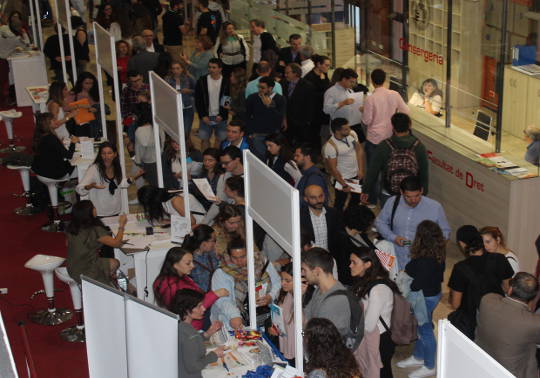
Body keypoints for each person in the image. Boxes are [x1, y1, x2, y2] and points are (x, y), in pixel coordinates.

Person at [396, 220, 446, 378]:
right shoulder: (438, 255)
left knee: (425, 331)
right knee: (421, 328)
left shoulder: (425, 260)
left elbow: (417, 285)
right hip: (433, 294)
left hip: (424, 298)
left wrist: (405, 276)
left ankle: (430, 365)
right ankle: (418, 357)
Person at [448, 225, 514, 339]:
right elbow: (508, 289)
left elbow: (455, 304)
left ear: (462, 244)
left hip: (472, 323)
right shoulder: (500, 259)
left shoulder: (460, 268)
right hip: (496, 316)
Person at [375, 176, 451, 270]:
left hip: (421, 261)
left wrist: (427, 246)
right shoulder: (392, 202)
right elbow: (380, 222)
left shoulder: (435, 207)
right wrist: (393, 237)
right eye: (408, 197)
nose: (413, 200)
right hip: (394, 256)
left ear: (422, 190)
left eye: (417, 196)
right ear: (401, 192)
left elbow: (445, 232)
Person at [475, 272, 540, 378]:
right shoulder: (534, 323)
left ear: (510, 289)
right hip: (511, 373)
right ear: (532, 297)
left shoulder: (487, 300)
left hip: (481, 360)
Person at [211, 237, 281, 330]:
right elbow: (223, 301)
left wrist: (271, 296)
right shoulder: (221, 272)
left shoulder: (262, 262)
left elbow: (277, 282)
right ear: (229, 255)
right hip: (233, 321)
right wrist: (234, 315)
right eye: (234, 258)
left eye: (243, 257)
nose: (239, 261)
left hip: (262, 317)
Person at [362, 112, 429, 206]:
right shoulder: (418, 146)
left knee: (388, 219)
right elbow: (424, 173)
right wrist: (423, 192)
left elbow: (373, 171)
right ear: (409, 125)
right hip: (410, 194)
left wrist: (366, 190)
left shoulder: (384, 145)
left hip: (389, 192)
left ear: (392, 126)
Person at [350, 246, 396, 378]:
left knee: (380, 372)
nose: (350, 265)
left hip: (380, 341)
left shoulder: (377, 290)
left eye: (354, 262)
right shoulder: (365, 281)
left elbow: (369, 325)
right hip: (371, 338)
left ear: (367, 264)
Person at [153, 247, 228, 327]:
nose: (193, 266)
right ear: (175, 265)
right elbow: (194, 308)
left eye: (192, 261)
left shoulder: (175, 277)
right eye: (188, 263)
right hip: (193, 326)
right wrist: (215, 294)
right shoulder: (173, 287)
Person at [65, 200, 122, 286]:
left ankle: (108, 277)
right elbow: (117, 243)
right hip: (87, 270)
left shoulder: (72, 227)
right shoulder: (94, 230)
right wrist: (122, 225)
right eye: (93, 208)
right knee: (116, 263)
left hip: (72, 267)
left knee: (108, 263)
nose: (95, 209)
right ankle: (104, 280)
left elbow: (67, 244)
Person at [77, 142, 141, 217]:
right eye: (103, 153)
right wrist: (90, 186)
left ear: (115, 154)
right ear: (100, 155)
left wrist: (133, 178)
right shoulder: (94, 169)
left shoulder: (117, 167)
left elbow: (120, 183)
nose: (106, 156)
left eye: (109, 153)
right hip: (100, 212)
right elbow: (79, 189)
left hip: (115, 210)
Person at [362, 69, 409, 170]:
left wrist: (363, 110)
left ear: (372, 81)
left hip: (374, 139)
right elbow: (406, 112)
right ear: (385, 80)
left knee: (374, 172)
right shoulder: (394, 94)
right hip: (390, 137)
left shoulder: (370, 99)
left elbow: (366, 121)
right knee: (388, 171)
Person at [172, 289, 225, 378]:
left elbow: (189, 344)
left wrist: (207, 334)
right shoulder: (188, 334)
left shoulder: (179, 326)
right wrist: (214, 355)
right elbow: (193, 367)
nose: (203, 309)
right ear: (187, 310)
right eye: (199, 306)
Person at [270, 262, 313, 365]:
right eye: (282, 279)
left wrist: (300, 298)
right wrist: (273, 328)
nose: (282, 283)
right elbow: (277, 317)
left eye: (287, 281)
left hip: (300, 352)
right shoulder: (284, 294)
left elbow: (305, 327)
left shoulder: (308, 300)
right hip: (284, 345)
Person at [340, 204, 398, 281]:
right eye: (369, 223)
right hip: (361, 276)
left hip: (367, 269)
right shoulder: (344, 241)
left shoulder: (357, 233)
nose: (370, 226)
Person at [301, 186, 346, 283]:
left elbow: (338, 239)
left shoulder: (333, 213)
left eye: (320, 196)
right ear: (306, 199)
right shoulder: (299, 216)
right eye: (313, 197)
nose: (318, 200)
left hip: (330, 261)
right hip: (308, 262)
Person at [302, 247, 351, 336]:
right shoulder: (319, 290)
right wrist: (298, 296)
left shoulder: (336, 301)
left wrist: (303, 331)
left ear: (317, 271)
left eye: (305, 270)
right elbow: (304, 319)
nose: (302, 274)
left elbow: (318, 337)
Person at [323, 118, 365, 212]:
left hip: (356, 176)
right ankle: (337, 221)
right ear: (337, 131)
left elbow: (359, 150)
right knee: (339, 203)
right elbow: (333, 169)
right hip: (342, 179)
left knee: (355, 200)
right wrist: (344, 185)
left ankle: (349, 217)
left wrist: (361, 170)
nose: (349, 130)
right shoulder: (330, 146)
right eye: (346, 129)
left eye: (348, 127)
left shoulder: (352, 134)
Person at [245, 76, 286, 161]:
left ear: (270, 88)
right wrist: (250, 133)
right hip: (256, 134)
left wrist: (270, 106)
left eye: (262, 88)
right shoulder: (252, 98)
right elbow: (247, 116)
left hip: (272, 135)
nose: (260, 89)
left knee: (271, 160)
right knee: (258, 159)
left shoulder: (280, 99)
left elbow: (279, 118)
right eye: (259, 87)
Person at [195, 58, 230, 151]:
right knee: (204, 139)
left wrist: (222, 114)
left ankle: (216, 158)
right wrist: (203, 115)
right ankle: (206, 159)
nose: (211, 69)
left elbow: (227, 99)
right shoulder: (202, 81)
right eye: (209, 67)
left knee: (220, 139)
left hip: (220, 118)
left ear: (220, 69)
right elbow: (198, 100)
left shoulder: (226, 81)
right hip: (206, 117)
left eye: (214, 67)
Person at [31, 113, 78, 180]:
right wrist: (73, 143)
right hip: (53, 173)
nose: (56, 121)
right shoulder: (50, 138)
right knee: (78, 165)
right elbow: (68, 155)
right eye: (53, 120)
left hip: (40, 171)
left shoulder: (39, 135)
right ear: (48, 124)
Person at [138, 185, 205, 226]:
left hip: (201, 225)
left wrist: (170, 222)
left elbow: (192, 221)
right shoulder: (165, 196)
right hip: (192, 224)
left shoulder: (175, 201)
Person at [303, 55, 331, 149]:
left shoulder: (324, 74)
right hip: (314, 113)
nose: (328, 68)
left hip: (322, 111)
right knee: (314, 137)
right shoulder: (309, 78)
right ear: (319, 64)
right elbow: (313, 95)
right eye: (326, 65)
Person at [282, 63, 314, 146]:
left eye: (287, 73)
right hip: (287, 123)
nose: (285, 75)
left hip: (301, 123)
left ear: (295, 73)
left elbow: (310, 105)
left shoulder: (307, 86)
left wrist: (307, 122)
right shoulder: (282, 84)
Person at [182, 225, 221, 292]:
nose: (215, 243)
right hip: (204, 295)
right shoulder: (191, 262)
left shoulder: (210, 253)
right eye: (214, 240)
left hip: (215, 289)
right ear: (203, 243)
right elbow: (201, 284)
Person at [133, 103, 164, 186]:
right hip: (162, 159)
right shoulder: (158, 126)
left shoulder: (139, 131)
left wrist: (138, 162)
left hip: (149, 164)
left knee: (154, 185)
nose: (133, 117)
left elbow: (139, 150)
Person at [165, 61, 196, 139]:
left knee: (186, 132)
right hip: (173, 109)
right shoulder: (167, 79)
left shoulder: (188, 78)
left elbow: (197, 90)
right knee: (175, 133)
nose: (175, 71)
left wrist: (189, 91)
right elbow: (164, 93)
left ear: (182, 69)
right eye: (173, 69)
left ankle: (187, 149)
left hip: (187, 108)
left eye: (178, 68)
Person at [68, 72, 102, 138]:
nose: (89, 86)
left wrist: (95, 109)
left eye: (91, 83)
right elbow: (66, 108)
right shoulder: (73, 94)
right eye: (86, 83)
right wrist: (80, 106)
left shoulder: (95, 93)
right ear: (81, 83)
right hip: (79, 125)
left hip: (94, 124)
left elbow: (99, 107)